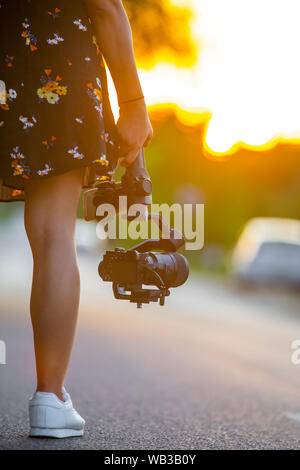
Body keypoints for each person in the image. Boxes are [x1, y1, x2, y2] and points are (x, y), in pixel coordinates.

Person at [0, 0, 153, 438]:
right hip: (52, 64)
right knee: (52, 235)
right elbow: (103, 5)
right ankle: (50, 398)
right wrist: (133, 103)